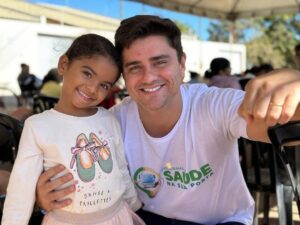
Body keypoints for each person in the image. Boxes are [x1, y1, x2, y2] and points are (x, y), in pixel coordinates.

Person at [35, 15, 300, 225]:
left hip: (220, 221)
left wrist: (293, 89)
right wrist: (44, 194)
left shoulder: (212, 104)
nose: (149, 77)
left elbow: (279, 128)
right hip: (146, 217)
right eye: (134, 67)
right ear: (124, 77)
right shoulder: (112, 122)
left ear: (182, 64)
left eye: (160, 62)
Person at [2, 34, 145, 225]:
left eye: (104, 85)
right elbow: (21, 189)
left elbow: (120, 168)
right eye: (87, 73)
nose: (93, 89)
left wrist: (134, 204)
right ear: (63, 65)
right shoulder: (37, 126)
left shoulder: (109, 119)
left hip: (118, 218)